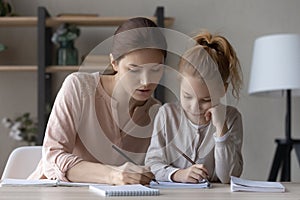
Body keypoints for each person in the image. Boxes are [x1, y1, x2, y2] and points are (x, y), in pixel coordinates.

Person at [29, 17, 167, 185]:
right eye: (134, 70)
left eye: (155, 70)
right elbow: (52, 158)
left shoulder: (157, 112)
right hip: (53, 192)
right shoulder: (79, 87)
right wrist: (112, 175)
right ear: (114, 63)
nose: (146, 81)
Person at [145, 31, 243, 184]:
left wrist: (221, 130)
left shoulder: (231, 117)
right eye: (187, 96)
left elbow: (229, 177)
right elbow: (151, 165)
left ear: (223, 90)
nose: (194, 107)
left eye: (206, 100)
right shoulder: (166, 114)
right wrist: (179, 174)